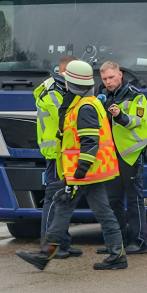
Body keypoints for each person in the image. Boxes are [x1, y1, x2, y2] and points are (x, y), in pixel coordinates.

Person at [16, 60, 127, 270]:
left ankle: (45, 255)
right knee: (83, 211)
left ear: (71, 83)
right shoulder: (84, 102)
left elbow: (89, 143)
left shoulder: (84, 108)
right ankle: (117, 255)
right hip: (89, 172)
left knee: (65, 209)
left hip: (84, 171)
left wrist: (78, 174)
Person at [96, 61, 147, 255]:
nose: (108, 82)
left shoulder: (135, 95)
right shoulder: (101, 96)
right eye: (104, 79)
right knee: (113, 199)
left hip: (131, 153)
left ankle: (138, 242)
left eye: (111, 77)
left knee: (134, 199)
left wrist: (120, 116)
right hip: (110, 154)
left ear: (120, 74)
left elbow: (138, 120)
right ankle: (115, 243)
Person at [35, 55, 83, 259]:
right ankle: (47, 245)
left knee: (63, 199)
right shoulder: (55, 92)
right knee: (53, 200)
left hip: (63, 151)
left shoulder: (58, 88)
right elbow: (66, 118)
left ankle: (63, 242)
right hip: (56, 152)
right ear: (65, 72)